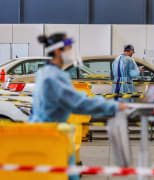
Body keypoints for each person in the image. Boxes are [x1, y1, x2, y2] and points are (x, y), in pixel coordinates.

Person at [29, 33, 128, 180]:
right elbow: (78, 103)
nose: (72, 51)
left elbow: (74, 99)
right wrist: (113, 106)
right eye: (69, 48)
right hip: (50, 138)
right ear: (57, 51)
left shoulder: (46, 72)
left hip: (46, 134)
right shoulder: (53, 76)